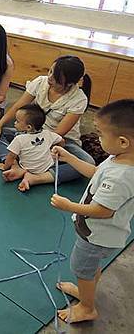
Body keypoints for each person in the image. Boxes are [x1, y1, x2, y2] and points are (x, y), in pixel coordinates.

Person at [50, 99, 134, 324]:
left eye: (101, 135)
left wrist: (69, 206)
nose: (98, 139)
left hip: (97, 235)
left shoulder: (121, 176)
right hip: (96, 232)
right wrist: (69, 157)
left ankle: (87, 307)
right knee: (90, 268)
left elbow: (103, 211)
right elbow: (96, 172)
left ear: (123, 141)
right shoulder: (119, 158)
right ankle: (85, 290)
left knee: (81, 267)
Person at [0, 55, 95, 184]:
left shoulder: (79, 99)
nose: (50, 78)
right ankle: (13, 163)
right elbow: (19, 106)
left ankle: (39, 177)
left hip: (62, 141)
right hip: (33, 133)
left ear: (70, 84)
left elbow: (58, 134)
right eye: (50, 71)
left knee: (87, 163)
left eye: (56, 78)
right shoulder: (40, 82)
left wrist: (37, 151)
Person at [0, 104, 64, 192]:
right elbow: (62, 141)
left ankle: (19, 169)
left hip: (28, 167)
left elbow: (11, 156)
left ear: (28, 127)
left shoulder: (19, 139)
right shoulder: (48, 133)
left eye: (17, 121)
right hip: (47, 167)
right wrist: (56, 150)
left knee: (12, 155)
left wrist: (5, 167)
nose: (14, 123)